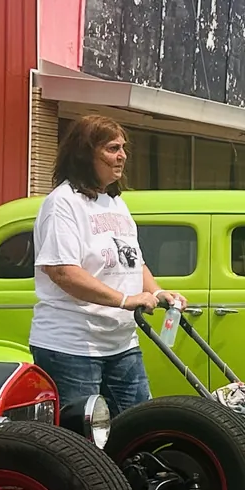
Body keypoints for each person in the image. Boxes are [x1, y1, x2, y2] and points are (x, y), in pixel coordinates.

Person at [28, 115, 182, 416]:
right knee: (84, 436)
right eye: (112, 149)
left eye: (123, 148)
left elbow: (133, 261)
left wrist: (157, 292)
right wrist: (124, 300)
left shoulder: (116, 203)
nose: (122, 156)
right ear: (85, 154)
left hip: (121, 342)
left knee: (139, 426)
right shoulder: (63, 203)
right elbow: (62, 271)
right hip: (72, 346)